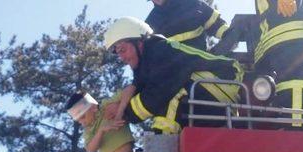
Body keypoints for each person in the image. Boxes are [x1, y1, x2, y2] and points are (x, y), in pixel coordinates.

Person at [103, 16, 244, 134]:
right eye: (118, 53)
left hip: (224, 80)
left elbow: (157, 95)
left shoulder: (160, 51)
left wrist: (127, 113)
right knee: (168, 93)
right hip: (207, 89)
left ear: (139, 42)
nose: (122, 57)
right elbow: (136, 89)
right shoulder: (145, 65)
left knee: (170, 95)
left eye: (123, 49)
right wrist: (120, 108)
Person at [254, 0, 303, 126]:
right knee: (293, 84)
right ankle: (296, 123)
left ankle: (296, 127)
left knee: (294, 84)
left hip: (288, 30)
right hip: (293, 31)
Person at [145, 0, 231, 51]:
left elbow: (217, 25)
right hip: (169, 75)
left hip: (198, 65)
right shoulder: (149, 23)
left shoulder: (191, 4)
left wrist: (232, 34)